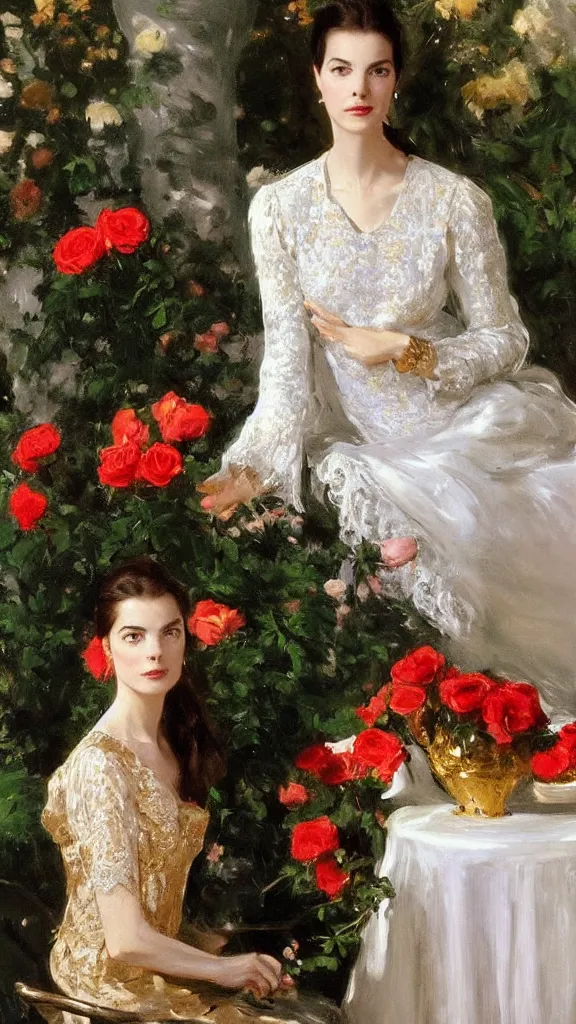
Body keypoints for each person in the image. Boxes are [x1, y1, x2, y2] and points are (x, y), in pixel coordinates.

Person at [198, 0, 576, 715]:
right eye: (341, 70)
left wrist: (408, 349)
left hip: (469, 431)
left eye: (376, 70)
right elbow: (284, 366)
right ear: (317, 79)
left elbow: (505, 338)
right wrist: (250, 467)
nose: (359, 89)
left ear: (395, 79)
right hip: (372, 446)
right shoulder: (279, 208)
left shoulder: (454, 200)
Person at [42, 557, 340, 1024]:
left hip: (154, 971)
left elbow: (156, 909)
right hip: (106, 992)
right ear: (106, 648)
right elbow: (122, 939)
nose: (155, 652)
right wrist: (222, 969)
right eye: (134, 636)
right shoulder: (100, 767)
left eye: (169, 632)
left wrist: (215, 952)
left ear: (185, 641)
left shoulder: (170, 744)